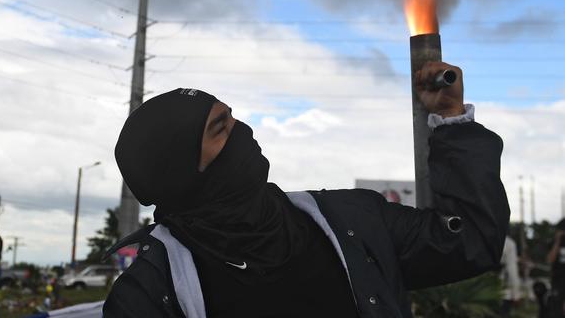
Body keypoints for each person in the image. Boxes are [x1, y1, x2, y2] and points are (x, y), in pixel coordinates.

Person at [104, 62, 510, 318]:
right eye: (220, 129)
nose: (244, 132)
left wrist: (452, 120)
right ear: (181, 171)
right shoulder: (150, 293)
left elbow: (470, 240)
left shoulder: (354, 220)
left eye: (233, 118)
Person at [499, 234, 521, 317]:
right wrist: (516, 295)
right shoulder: (509, 243)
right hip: (502, 292)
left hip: (476, 289)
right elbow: (512, 270)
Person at [547, 219, 565, 318]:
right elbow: (550, 259)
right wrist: (557, 241)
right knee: (556, 309)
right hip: (557, 280)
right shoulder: (554, 243)